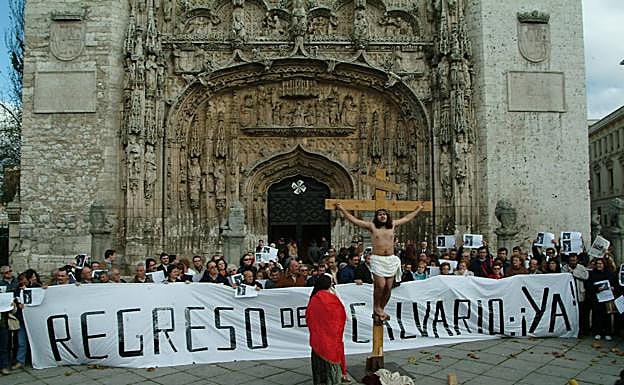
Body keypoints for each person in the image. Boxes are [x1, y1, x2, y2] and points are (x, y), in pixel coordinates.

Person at [335, 202, 424, 323]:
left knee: (388, 287)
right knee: (380, 285)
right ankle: (377, 306)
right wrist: (342, 209)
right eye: (380, 214)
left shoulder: (392, 225)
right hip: (378, 259)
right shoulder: (372, 226)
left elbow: (407, 218)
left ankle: (381, 308)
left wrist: (418, 209)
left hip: (391, 259)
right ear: (376, 217)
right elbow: (354, 220)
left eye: (384, 214)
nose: (382, 216)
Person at [306, 274, 347, 385]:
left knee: (319, 370)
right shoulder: (332, 298)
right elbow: (341, 315)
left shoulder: (314, 298)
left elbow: (309, 318)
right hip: (332, 339)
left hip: (317, 339)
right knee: (332, 368)